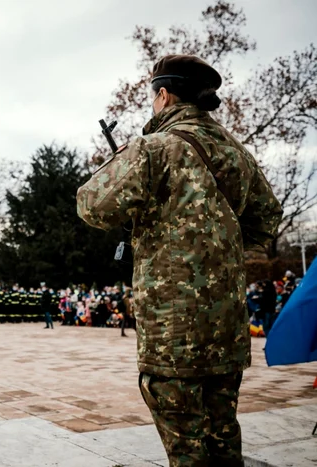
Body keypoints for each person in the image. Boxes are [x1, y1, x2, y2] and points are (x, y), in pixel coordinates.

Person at [77, 54, 282, 466]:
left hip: (173, 332)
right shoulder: (237, 154)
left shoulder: (156, 148)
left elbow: (90, 203)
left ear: (164, 96)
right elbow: (266, 221)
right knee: (224, 438)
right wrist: (219, 257)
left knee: (186, 449)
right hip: (226, 326)